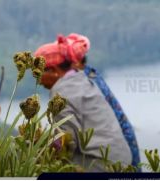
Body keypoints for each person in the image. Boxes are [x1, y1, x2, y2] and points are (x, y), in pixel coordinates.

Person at [35, 38, 132, 172]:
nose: (38, 81)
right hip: (122, 159)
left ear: (53, 70)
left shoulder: (61, 91)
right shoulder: (81, 79)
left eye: (39, 74)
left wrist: (37, 154)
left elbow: (66, 141)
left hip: (100, 164)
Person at [56, 33, 141, 169]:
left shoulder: (82, 83)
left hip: (112, 155)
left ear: (76, 62)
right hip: (122, 148)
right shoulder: (91, 76)